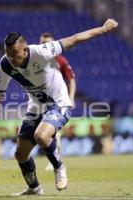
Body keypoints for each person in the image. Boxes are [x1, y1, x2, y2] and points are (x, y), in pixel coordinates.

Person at [0, 19, 118, 195]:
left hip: (59, 104)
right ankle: (34, 188)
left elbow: (75, 38)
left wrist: (103, 29)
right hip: (36, 107)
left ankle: (59, 167)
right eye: (7, 53)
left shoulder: (42, 52)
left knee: (41, 135)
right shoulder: (5, 65)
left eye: (14, 53)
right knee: (20, 154)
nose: (11, 57)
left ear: (24, 50)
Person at [39, 33, 77, 171]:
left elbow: (71, 79)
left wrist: (71, 97)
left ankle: (56, 162)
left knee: (54, 132)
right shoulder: (36, 60)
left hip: (57, 103)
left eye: (49, 43)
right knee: (44, 133)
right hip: (41, 103)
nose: (46, 45)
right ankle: (55, 160)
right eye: (43, 42)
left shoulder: (60, 61)